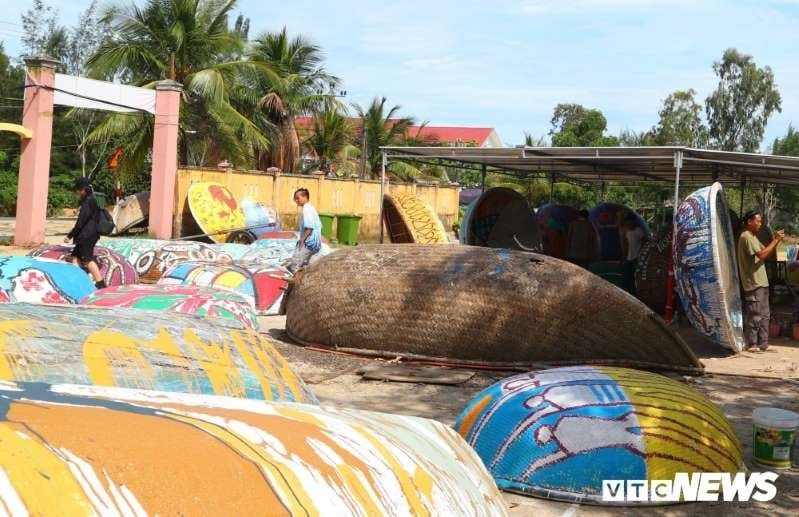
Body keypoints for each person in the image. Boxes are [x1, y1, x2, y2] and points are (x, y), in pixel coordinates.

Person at [738, 209, 784, 352]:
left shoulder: (753, 237)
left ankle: (763, 344)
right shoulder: (746, 236)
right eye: (758, 221)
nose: (760, 224)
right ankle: (752, 344)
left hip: (762, 282)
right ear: (749, 222)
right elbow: (762, 254)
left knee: (764, 315)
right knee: (755, 314)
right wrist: (775, 239)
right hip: (754, 283)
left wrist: (775, 242)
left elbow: (766, 251)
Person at [64, 178, 106, 289]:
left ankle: (100, 283)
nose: (77, 193)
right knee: (75, 257)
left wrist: (70, 235)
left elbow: (81, 222)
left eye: (78, 190)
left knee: (87, 259)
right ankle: (79, 280)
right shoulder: (91, 199)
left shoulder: (89, 201)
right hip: (88, 235)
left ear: (83, 190)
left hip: (87, 235)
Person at [286, 188, 322, 273]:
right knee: (311, 268)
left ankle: (295, 284)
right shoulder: (311, 208)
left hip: (308, 243)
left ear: (305, 197)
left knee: (294, 265)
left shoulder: (307, 209)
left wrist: (302, 240)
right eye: (295, 198)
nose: (296, 200)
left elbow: (309, 227)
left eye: (297, 198)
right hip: (316, 244)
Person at [621, 214, 646, 295]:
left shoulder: (639, 230)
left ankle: (635, 293)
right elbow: (625, 245)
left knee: (635, 277)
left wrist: (641, 254)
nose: (628, 224)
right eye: (627, 223)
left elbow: (644, 242)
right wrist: (623, 257)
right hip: (628, 258)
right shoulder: (626, 231)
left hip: (637, 258)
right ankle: (626, 293)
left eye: (629, 222)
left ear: (633, 222)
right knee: (626, 277)